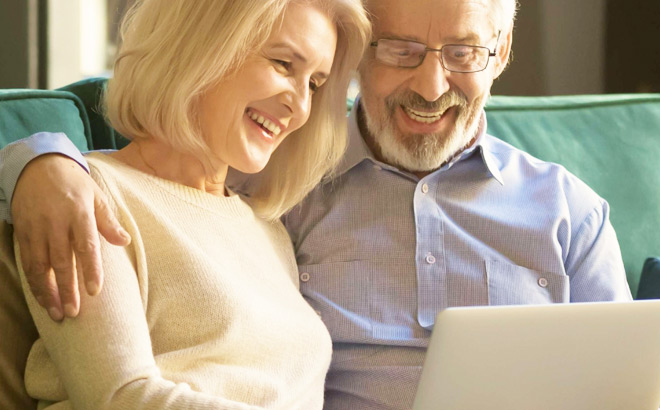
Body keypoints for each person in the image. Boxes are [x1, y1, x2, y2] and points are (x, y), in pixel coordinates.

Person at [1, 0, 632, 409]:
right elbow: (118, 391)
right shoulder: (285, 191)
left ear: (501, 54)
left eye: (463, 53)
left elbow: (629, 385)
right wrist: (35, 161)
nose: (431, 85)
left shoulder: (571, 213)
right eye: (401, 50)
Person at [1, 0, 371, 408]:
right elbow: (119, 397)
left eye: (315, 84)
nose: (300, 106)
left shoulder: (269, 229)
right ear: (202, 47)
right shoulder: (86, 196)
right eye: (283, 64)